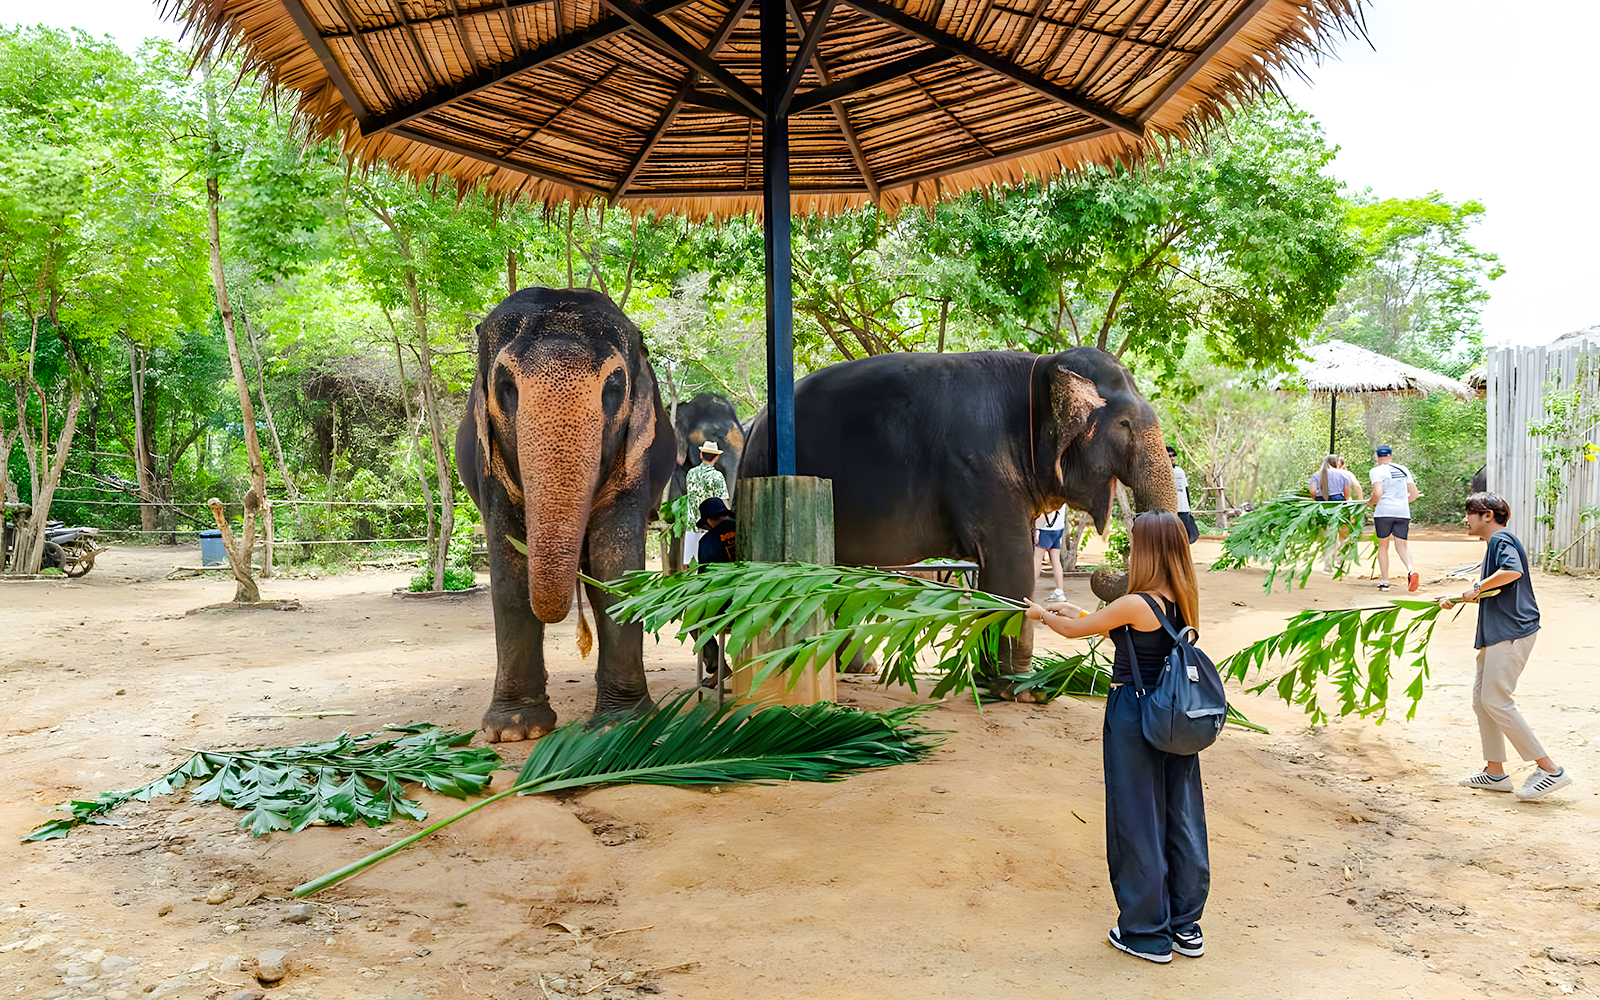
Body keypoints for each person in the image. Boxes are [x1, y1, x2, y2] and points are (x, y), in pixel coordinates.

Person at [1026, 511, 1208, 963]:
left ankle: (1146, 933)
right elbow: (1133, 639)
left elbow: (1072, 631)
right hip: (1174, 715)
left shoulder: (1135, 601)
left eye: (1134, 541)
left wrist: (1042, 614)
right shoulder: (1183, 597)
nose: (1129, 547)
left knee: (1136, 818)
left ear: (1148, 549)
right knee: (1178, 816)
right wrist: (1083, 613)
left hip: (1134, 714)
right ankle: (1185, 926)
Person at [1442, 493, 1572, 800]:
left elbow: (1513, 571)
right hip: (1497, 631)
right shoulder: (1495, 545)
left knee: (1496, 699)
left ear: (1487, 515)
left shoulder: (1501, 539)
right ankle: (1495, 772)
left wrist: (1475, 588)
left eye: (1470, 514)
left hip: (1511, 630)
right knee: (1482, 700)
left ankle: (1550, 769)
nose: (1466, 520)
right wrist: (1463, 597)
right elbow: (1496, 587)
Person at [693, 497, 737, 687]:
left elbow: (705, 581)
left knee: (692, 621)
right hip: (758, 602)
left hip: (727, 610)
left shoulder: (708, 541)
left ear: (709, 520)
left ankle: (717, 667)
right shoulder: (747, 528)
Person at [1367, 445, 1420, 591]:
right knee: (1402, 546)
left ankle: (1385, 582)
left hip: (1384, 512)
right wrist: (1401, 502)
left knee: (1383, 546)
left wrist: (1370, 502)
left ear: (1377, 457)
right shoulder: (1403, 469)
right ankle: (1411, 571)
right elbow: (1414, 494)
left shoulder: (1376, 471)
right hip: (1403, 512)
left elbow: (1377, 494)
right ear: (1390, 456)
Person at [683, 441, 728, 568]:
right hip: (711, 527)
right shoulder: (717, 477)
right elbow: (724, 503)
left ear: (701, 455)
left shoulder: (691, 473)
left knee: (690, 566)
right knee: (709, 564)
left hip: (692, 524)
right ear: (717, 457)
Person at [1032, 503, 1069, 601]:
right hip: (1058, 529)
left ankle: (1029, 591)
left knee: (1037, 559)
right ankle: (1059, 592)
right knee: (1055, 560)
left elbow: (1046, 508)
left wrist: (1037, 529)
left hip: (1045, 529)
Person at [1168, 446, 1199, 544]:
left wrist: (1188, 506)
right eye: (1169, 456)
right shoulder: (1161, 471)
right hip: (1169, 509)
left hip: (1183, 507)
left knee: (1185, 533)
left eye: (1174, 455)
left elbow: (1186, 489)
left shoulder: (1180, 471)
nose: (1172, 458)